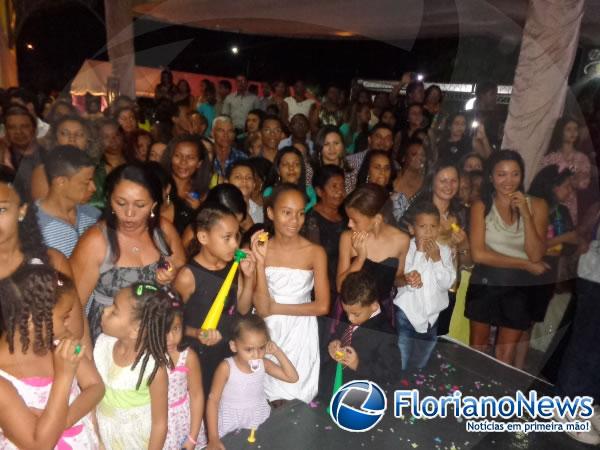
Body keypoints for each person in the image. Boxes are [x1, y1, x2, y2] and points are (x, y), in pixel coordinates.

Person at [71, 163, 185, 341]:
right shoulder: (96, 242)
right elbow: (74, 307)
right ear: (109, 200)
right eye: (121, 203)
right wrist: (85, 357)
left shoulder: (163, 231)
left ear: (154, 205)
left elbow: (183, 274)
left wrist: (172, 274)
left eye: (140, 205)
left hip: (157, 334)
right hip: (109, 340)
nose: (129, 213)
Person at [0, 265, 101, 449]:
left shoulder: (61, 342)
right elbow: (39, 445)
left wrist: (67, 418)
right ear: (32, 320)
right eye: (64, 317)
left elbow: (96, 385)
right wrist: (64, 376)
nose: (71, 324)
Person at [465, 150, 548, 366]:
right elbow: (478, 254)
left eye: (515, 174)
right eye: (501, 174)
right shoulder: (480, 206)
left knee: (505, 356)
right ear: (491, 177)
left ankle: (497, 396)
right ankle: (472, 394)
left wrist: (526, 213)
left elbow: (537, 254)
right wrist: (525, 264)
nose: (508, 181)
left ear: (522, 176)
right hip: (486, 280)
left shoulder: (538, 205)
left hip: (520, 286)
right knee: (478, 347)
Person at [251, 184, 330, 404]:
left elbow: (323, 306)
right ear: (270, 213)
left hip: (300, 329)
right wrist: (259, 262)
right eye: (287, 213)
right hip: (267, 329)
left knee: (297, 392)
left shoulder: (314, 252)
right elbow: (259, 303)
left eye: (300, 213)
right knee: (264, 394)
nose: (295, 221)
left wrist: (277, 308)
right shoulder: (261, 247)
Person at [174, 204, 256, 394]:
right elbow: (170, 323)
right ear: (203, 237)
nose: (235, 244)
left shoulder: (233, 265)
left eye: (236, 236)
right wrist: (198, 333)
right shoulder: (188, 276)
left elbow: (242, 310)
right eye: (226, 238)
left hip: (227, 350)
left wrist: (249, 276)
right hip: (198, 355)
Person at [94, 283, 171, 450]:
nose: (105, 310)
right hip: (104, 434)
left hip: (136, 442)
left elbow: (160, 424)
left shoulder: (153, 367)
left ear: (135, 330)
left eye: (114, 311)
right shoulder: (103, 344)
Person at [205, 315, 298, 449]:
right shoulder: (226, 368)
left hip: (258, 416)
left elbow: (292, 377)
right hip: (231, 421)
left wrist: (277, 352)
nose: (256, 354)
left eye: (261, 348)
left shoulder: (263, 364)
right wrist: (213, 438)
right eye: (249, 349)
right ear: (233, 346)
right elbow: (213, 401)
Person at [393, 200, 456, 369]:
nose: (428, 231)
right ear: (412, 229)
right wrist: (420, 253)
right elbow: (411, 283)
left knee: (421, 362)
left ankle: (414, 385)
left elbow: (447, 283)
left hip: (432, 318)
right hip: (407, 314)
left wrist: (437, 260)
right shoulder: (408, 249)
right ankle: (398, 387)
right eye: (422, 226)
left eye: (433, 226)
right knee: (402, 360)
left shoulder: (444, 250)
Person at [337, 183, 409, 328]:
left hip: (381, 314)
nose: (349, 224)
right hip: (351, 312)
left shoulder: (401, 240)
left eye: (355, 220)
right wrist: (360, 257)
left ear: (377, 219)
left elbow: (397, 279)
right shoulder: (347, 238)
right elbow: (340, 286)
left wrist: (408, 279)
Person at [324, 270, 402, 392]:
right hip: (333, 382)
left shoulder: (386, 334)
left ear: (374, 306)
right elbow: (338, 335)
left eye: (355, 314)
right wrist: (333, 343)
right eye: (346, 312)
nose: (350, 318)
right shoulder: (353, 312)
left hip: (358, 392)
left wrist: (358, 364)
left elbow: (392, 373)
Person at [36, 146, 100, 258]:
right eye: (87, 182)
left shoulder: (94, 215)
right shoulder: (33, 225)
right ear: (61, 182)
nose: (93, 188)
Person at [164, 296, 207, 449]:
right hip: (156, 422)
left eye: (176, 329)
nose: (170, 338)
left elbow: (196, 395)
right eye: (164, 331)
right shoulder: (146, 358)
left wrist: (193, 437)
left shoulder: (188, 357)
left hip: (183, 423)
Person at [32, 115, 100, 201]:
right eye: (65, 134)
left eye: (79, 134)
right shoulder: (43, 171)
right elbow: (44, 209)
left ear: (88, 141)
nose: (72, 138)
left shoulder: (98, 170)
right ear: (55, 139)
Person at [303, 165, 347, 300]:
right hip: (323, 289)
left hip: (344, 284)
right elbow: (314, 263)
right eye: (334, 186)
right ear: (319, 191)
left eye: (342, 186)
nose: (340, 191)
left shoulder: (347, 216)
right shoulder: (312, 221)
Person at [539, 116, 591, 225]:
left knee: (567, 230)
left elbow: (584, 183)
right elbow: (543, 181)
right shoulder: (550, 158)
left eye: (575, 129)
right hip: (551, 203)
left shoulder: (582, 158)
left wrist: (572, 180)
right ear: (560, 132)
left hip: (571, 202)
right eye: (568, 129)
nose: (573, 132)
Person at [162, 134, 209, 233]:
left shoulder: (202, 193)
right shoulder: (160, 185)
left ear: (199, 163)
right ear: (170, 158)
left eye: (190, 158)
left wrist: (198, 210)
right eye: (178, 156)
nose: (183, 162)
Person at [2, 105, 43, 202]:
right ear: (6, 132)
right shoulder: (4, 158)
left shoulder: (51, 156)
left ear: (34, 129)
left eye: (24, 126)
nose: (18, 132)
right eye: (12, 127)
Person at [263, 146, 317, 212]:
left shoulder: (310, 192)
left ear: (301, 168)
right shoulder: (269, 192)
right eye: (285, 164)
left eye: (296, 164)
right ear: (278, 170)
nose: (291, 168)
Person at [89, 118, 127, 209]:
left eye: (116, 135)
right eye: (106, 137)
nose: (113, 140)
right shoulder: (94, 168)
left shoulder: (135, 165)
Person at [346, 123, 395, 191]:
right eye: (378, 137)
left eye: (387, 139)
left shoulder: (395, 166)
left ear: (392, 143)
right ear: (369, 140)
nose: (383, 142)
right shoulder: (351, 162)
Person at [309, 125, 353, 193]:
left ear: (342, 145)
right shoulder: (310, 169)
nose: (332, 148)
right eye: (326, 144)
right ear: (319, 146)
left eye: (336, 143)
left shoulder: (351, 168)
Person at [212, 116, 247, 182]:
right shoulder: (206, 156)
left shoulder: (242, 157)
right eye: (221, 131)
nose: (226, 135)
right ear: (212, 133)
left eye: (230, 131)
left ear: (234, 134)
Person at [227, 160, 263, 225]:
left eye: (249, 177)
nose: (244, 180)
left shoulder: (261, 213)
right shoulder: (218, 211)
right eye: (238, 177)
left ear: (254, 185)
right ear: (227, 182)